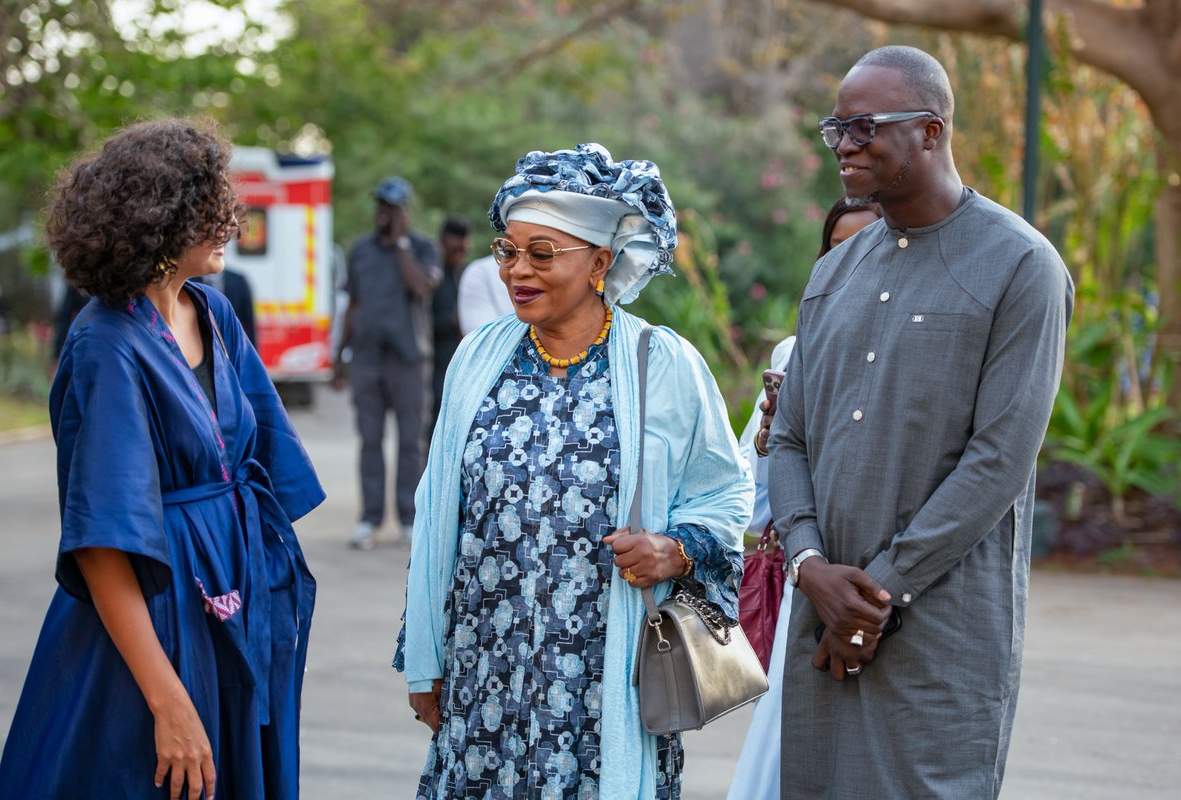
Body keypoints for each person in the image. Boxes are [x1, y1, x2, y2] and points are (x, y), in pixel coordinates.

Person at [396, 143, 754, 798]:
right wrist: (428, 658)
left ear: (600, 262)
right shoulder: (478, 358)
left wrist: (674, 550)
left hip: (604, 675)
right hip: (484, 671)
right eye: (507, 251)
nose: (516, 272)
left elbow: (728, 494)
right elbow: (437, 511)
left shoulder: (662, 363)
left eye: (541, 254)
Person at [767, 46, 1074, 798]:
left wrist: (876, 595)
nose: (845, 144)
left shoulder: (1020, 266)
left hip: (941, 630)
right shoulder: (834, 271)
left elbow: (999, 460)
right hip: (822, 619)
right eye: (836, 128)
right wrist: (812, 571)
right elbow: (789, 436)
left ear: (931, 132)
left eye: (865, 127)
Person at [0, 118, 324, 800]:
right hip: (154, 608)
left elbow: (257, 459)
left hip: (226, 596)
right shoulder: (106, 343)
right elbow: (102, 540)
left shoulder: (213, 312)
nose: (229, 220)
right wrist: (168, 699)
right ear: (163, 221)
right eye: (212, 206)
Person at [726, 196, 881, 800]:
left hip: (896, 584)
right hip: (810, 579)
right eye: (838, 250)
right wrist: (772, 432)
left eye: (870, 246)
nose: (853, 264)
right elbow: (752, 500)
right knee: (789, 749)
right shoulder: (794, 353)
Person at [335, 176, 442, 549]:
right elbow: (352, 304)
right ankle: (370, 519)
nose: (383, 213)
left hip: (409, 361)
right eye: (380, 205)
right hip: (367, 359)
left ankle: (410, 519)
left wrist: (400, 243)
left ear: (405, 211)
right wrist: (339, 357)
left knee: (411, 443)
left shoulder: (424, 249)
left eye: (392, 207)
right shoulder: (361, 250)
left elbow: (420, 287)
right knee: (370, 441)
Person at [430, 216, 472, 420]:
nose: (459, 256)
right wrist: (451, 320)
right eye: (454, 250)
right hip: (432, 356)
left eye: (463, 251)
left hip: (457, 357)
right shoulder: (431, 274)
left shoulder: (465, 274)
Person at [197, 266, 257, 344]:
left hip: (231, 345)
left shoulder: (239, 281)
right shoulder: (189, 281)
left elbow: (249, 322)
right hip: (200, 344)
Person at [456, 252, 514, 333]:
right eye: (510, 251)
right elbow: (484, 338)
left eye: (538, 255)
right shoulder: (481, 271)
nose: (517, 271)